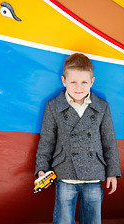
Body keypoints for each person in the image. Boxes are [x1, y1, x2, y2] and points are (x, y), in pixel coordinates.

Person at [35, 53, 121, 224]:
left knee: (92, 221)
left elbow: (109, 141)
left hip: (94, 175)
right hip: (65, 174)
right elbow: (47, 141)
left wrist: (112, 172)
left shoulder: (102, 106)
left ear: (92, 82)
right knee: (63, 220)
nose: (78, 87)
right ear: (63, 81)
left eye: (84, 82)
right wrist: (41, 168)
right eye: (73, 82)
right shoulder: (53, 106)